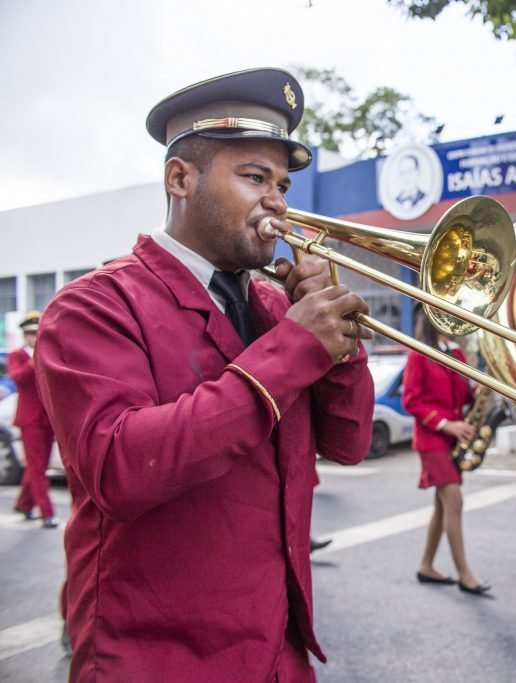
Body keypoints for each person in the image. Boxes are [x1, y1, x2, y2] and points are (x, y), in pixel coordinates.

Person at [34, 68, 375, 681]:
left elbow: (349, 445)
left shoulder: (277, 309)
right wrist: (296, 349)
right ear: (180, 178)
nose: (277, 200)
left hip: (278, 650)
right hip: (156, 658)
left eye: (282, 183)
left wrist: (341, 348)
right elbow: (119, 468)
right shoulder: (93, 305)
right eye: (254, 177)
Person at [401, 305, 490, 595]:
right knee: (454, 502)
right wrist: (447, 425)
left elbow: (463, 393)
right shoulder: (419, 353)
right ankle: (465, 574)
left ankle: (426, 565)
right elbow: (411, 401)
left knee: (442, 507)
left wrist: (480, 390)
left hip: (450, 439)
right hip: (432, 440)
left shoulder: (456, 352)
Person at [9, 311, 58, 529]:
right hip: (29, 419)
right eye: (30, 333)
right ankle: (46, 512)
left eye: (36, 333)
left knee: (38, 465)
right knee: (37, 467)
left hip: (48, 418)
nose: (33, 337)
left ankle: (24, 504)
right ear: (24, 335)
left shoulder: (47, 354)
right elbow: (18, 378)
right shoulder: (18, 355)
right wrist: (33, 360)